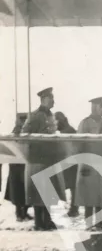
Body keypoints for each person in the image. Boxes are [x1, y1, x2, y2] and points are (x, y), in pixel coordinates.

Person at [21, 87, 66, 231]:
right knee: (37, 193)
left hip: (48, 159)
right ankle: (39, 222)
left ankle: (47, 220)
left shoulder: (50, 115)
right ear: (44, 99)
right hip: (37, 159)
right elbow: (25, 133)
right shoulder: (35, 115)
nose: (53, 101)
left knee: (47, 192)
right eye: (51, 98)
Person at [75, 97, 102, 230]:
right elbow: (79, 145)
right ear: (94, 107)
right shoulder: (85, 123)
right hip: (88, 164)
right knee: (88, 194)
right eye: (101, 106)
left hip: (101, 163)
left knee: (100, 194)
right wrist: (83, 164)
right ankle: (89, 222)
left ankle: (99, 221)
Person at [4, 112, 32, 222]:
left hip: (24, 165)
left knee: (24, 190)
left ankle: (24, 212)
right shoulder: (15, 131)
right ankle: (19, 214)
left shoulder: (27, 131)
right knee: (17, 190)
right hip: (16, 166)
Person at [54, 111, 79, 218]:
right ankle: (73, 208)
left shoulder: (68, 131)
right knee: (72, 187)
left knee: (73, 186)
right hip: (69, 162)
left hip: (70, 163)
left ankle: (74, 209)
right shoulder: (68, 130)